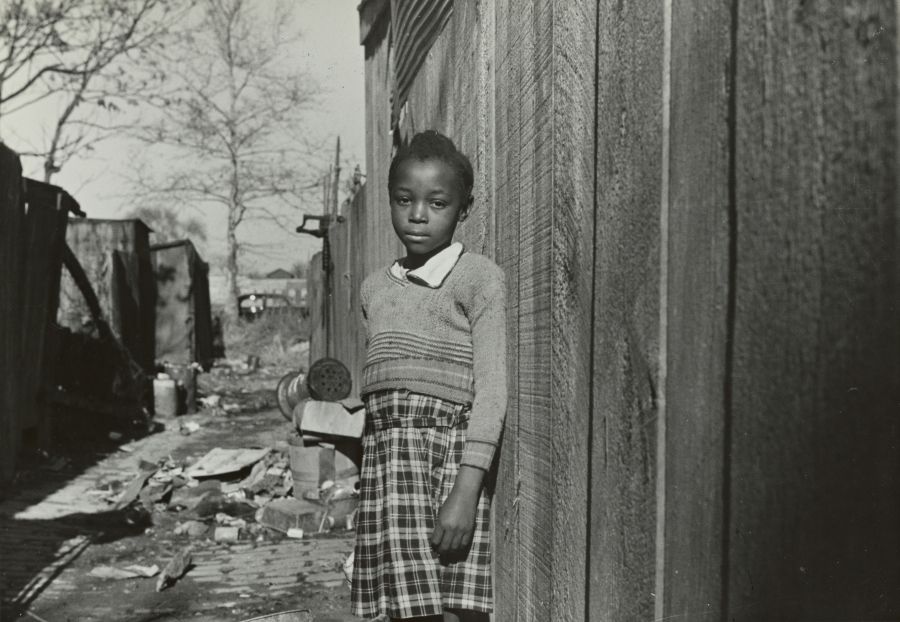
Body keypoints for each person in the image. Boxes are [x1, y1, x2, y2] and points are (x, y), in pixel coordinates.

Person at [352, 130, 508, 622]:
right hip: (386, 469)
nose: (418, 214)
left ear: (464, 208)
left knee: (453, 608)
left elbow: (492, 391)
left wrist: (466, 489)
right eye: (404, 200)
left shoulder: (477, 278)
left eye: (437, 202)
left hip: (445, 467)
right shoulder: (374, 288)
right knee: (402, 611)